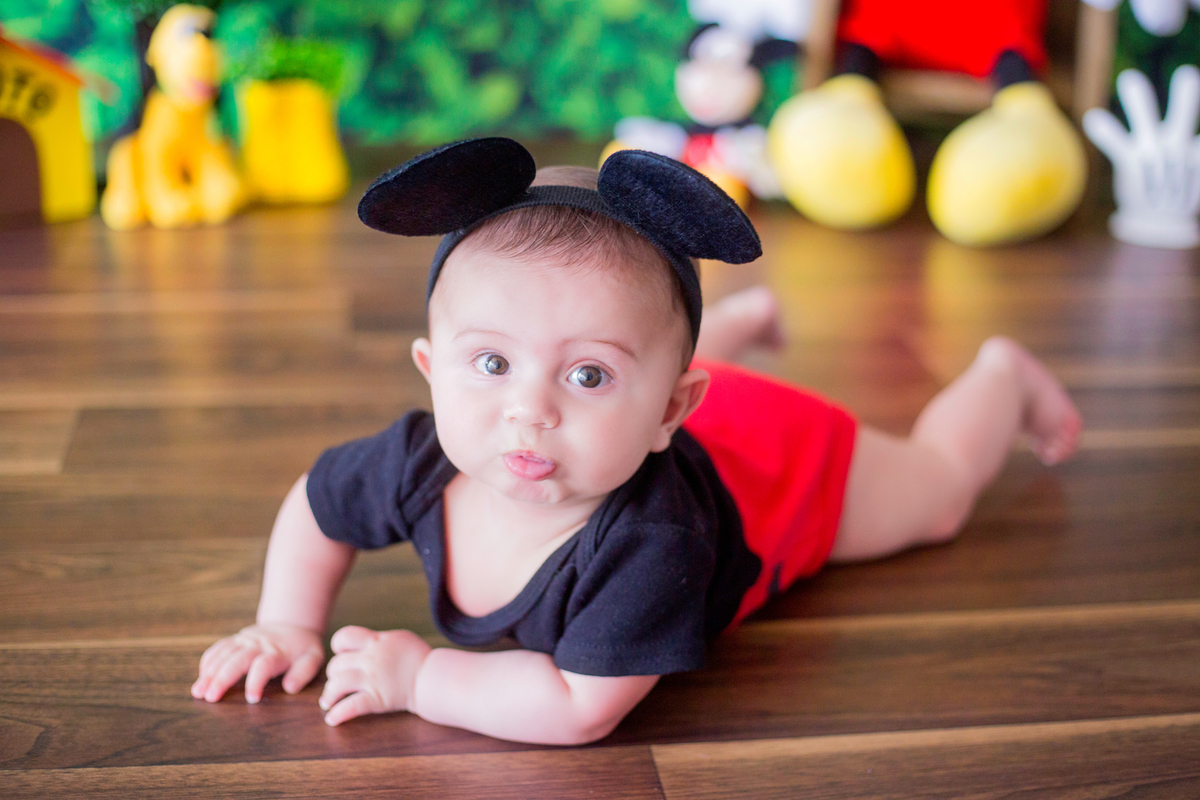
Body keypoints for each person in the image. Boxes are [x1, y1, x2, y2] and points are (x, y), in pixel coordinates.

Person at [191, 138, 1081, 745]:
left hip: (781, 467)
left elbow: (579, 706)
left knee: (936, 497)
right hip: (692, 404)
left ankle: (1001, 379)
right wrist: (285, 620)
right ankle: (722, 332)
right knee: (650, 354)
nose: (528, 411)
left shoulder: (649, 544)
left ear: (668, 411)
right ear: (430, 368)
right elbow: (318, 505)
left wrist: (422, 681)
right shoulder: (417, 458)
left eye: (584, 376)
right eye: (491, 363)